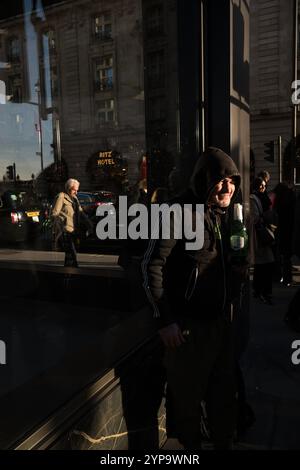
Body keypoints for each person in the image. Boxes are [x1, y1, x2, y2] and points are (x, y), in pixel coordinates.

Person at [142, 147, 246, 450]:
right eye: (220, 180)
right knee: (187, 405)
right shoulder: (178, 211)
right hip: (187, 331)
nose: (228, 187)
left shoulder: (228, 215)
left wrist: (238, 268)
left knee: (224, 399)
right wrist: (165, 320)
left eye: (232, 181)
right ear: (203, 179)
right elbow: (151, 264)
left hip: (222, 325)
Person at [51, 178, 93, 267]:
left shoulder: (75, 199)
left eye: (77, 190)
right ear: (68, 188)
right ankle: (74, 272)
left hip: (74, 231)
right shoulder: (61, 197)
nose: (76, 192)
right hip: (65, 231)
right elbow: (54, 213)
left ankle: (67, 275)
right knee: (72, 253)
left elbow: (81, 213)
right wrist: (60, 225)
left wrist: (90, 224)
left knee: (69, 255)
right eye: (74, 190)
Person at [250, 177, 276, 304]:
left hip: (263, 233)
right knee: (264, 264)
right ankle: (264, 292)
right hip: (259, 235)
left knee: (262, 265)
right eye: (261, 185)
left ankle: (259, 290)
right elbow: (255, 217)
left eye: (264, 185)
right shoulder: (253, 198)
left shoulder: (262, 197)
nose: (263, 188)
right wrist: (264, 217)